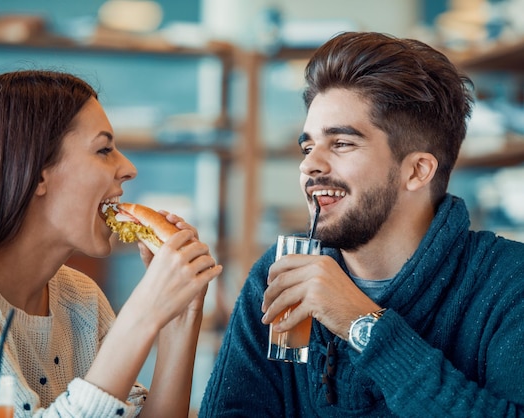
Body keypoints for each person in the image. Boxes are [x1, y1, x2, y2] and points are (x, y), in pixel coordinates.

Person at [199, 31, 524, 416]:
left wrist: (360, 322)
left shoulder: (509, 283)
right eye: (307, 146)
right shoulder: (277, 276)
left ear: (418, 171)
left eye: (341, 143)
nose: (309, 165)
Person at [0, 70, 223, 417]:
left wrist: (180, 317)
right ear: (38, 172)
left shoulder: (79, 296)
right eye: (104, 150)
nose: (128, 168)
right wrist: (142, 314)